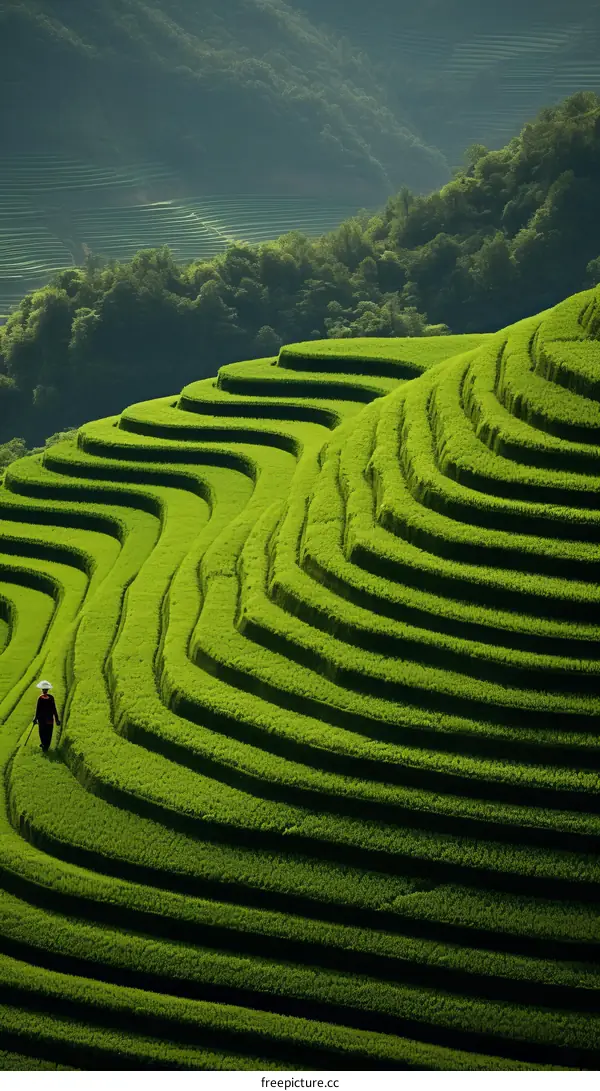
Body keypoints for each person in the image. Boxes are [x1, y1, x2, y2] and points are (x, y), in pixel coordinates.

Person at [33, 680, 60, 752]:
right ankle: (44, 745)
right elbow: (38, 709)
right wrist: (35, 718)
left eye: (45, 690)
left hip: (46, 719)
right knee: (44, 732)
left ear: (47, 690)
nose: (44, 691)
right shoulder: (44, 698)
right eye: (43, 690)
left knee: (46, 733)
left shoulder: (47, 698)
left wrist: (57, 719)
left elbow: (54, 709)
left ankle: (45, 746)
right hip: (44, 719)